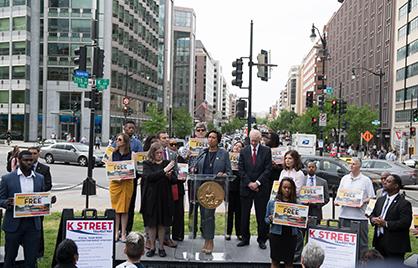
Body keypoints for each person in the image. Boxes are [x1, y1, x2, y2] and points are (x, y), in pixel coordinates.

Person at [0, 150, 45, 267]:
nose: (29, 163)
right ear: (19, 161)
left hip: (32, 225)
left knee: (31, 260)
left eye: (31, 160)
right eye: (26, 160)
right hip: (13, 224)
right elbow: (0, 199)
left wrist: (49, 201)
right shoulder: (7, 179)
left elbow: (42, 198)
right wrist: (6, 203)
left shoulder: (39, 178)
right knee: (9, 258)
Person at [194, 130, 232, 253]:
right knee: (203, 216)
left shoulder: (224, 153)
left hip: (215, 189)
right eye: (209, 137)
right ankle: (206, 238)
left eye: (213, 137)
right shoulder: (202, 153)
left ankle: (209, 241)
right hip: (201, 188)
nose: (210, 139)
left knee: (208, 215)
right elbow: (195, 167)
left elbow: (229, 172)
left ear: (218, 140)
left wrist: (223, 174)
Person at [237, 129, 272, 249]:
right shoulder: (243, 151)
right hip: (246, 188)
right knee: (244, 215)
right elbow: (240, 169)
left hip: (261, 189)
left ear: (260, 139)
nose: (254, 143)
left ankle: (262, 239)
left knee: (261, 215)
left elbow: (268, 170)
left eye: (256, 141)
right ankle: (245, 238)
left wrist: (257, 183)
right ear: (249, 139)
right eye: (252, 141)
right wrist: (249, 183)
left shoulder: (266, 151)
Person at [141, 142, 176, 257]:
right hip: (151, 198)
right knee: (152, 224)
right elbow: (149, 177)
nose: (160, 155)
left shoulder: (167, 163)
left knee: (162, 224)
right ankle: (152, 247)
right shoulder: (147, 164)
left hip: (164, 197)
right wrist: (164, 171)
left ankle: (161, 247)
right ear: (152, 153)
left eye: (161, 153)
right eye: (157, 153)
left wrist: (170, 176)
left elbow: (175, 180)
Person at [336, 157, 375, 256]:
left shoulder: (366, 180)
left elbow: (372, 198)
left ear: (359, 166)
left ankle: (362, 264)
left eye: (354, 164)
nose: (351, 166)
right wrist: (337, 201)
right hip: (344, 216)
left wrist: (362, 201)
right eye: (350, 164)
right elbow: (339, 195)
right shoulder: (344, 179)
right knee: (343, 244)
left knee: (361, 245)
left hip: (360, 218)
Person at [369, 175, 412, 262]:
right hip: (379, 242)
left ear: (396, 186)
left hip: (394, 245)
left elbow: (405, 223)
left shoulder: (404, 203)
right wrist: (373, 219)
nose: (384, 182)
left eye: (388, 181)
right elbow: (373, 214)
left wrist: (385, 223)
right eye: (384, 181)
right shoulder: (380, 200)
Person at [114, 120, 143, 234]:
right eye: (129, 127)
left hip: (131, 178)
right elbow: (110, 158)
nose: (131, 129)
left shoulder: (137, 143)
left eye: (133, 128)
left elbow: (140, 161)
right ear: (124, 128)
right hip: (117, 179)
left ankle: (127, 229)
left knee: (129, 204)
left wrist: (137, 174)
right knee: (117, 205)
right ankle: (118, 229)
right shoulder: (117, 141)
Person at [265, 178, 299, 268]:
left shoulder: (297, 204)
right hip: (276, 236)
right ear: (280, 188)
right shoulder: (272, 203)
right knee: (275, 262)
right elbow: (266, 220)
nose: (287, 190)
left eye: (289, 188)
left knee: (289, 263)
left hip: (291, 237)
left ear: (293, 189)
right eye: (285, 187)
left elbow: (302, 221)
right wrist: (270, 218)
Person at [157, 131, 181, 247]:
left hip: (169, 186)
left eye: (167, 138)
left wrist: (172, 176)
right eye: (163, 138)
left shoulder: (173, 154)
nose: (166, 140)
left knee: (168, 212)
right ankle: (153, 238)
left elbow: (177, 171)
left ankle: (167, 237)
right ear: (158, 139)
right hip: (157, 187)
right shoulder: (154, 153)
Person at [28, 146, 52, 258]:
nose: (32, 156)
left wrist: (39, 189)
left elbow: (48, 184)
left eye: (34, 153)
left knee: (38, 228)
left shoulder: (44, 168)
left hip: (39, 202)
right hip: (25, 202)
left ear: (38, 154)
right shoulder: (23, 167)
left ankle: (39, 252)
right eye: (30, 153)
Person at [109, 133, 134, 242]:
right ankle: (116, 232)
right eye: (116, 139)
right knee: (116, 209)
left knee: (125, 209)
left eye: (119, 139)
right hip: (115, 184)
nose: (117, 141)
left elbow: (133, 170)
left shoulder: (132, 154)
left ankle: (123, 233)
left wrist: (126, 175)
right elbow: (109, 169)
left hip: (127, 183)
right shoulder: (112, 154)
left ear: (125, 142)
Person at [226, 140, 244, 241]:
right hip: (230, 187)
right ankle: (228, 232)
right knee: (230, 211)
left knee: (239, 212)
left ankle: (239, 232)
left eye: (240, 147)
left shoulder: (244, 158)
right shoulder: (228, 156)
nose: (237, 148)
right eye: (236, 146)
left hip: (240, 187)